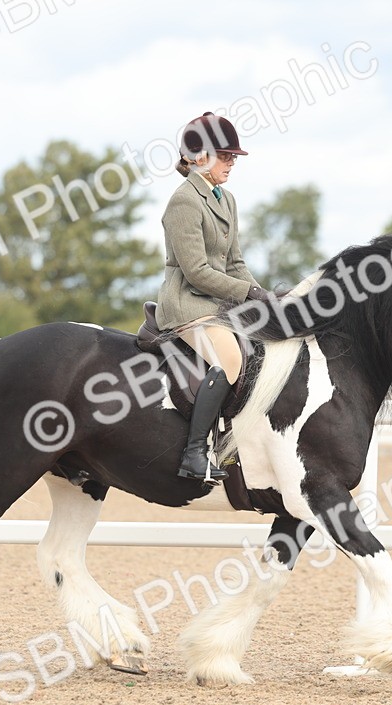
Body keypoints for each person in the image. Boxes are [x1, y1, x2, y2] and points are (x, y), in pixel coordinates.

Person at [155, 111, 276, 483]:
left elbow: (235, 262)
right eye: (225, 156)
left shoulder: (227, 200)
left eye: (233, 157)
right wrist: (247, 293)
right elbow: (197, 272)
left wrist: (264, 296)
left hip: (218, 303)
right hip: (187, 305)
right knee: (229, 360)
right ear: (197, 156)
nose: (231, 163)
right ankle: (194, 453)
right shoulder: (184, 202)